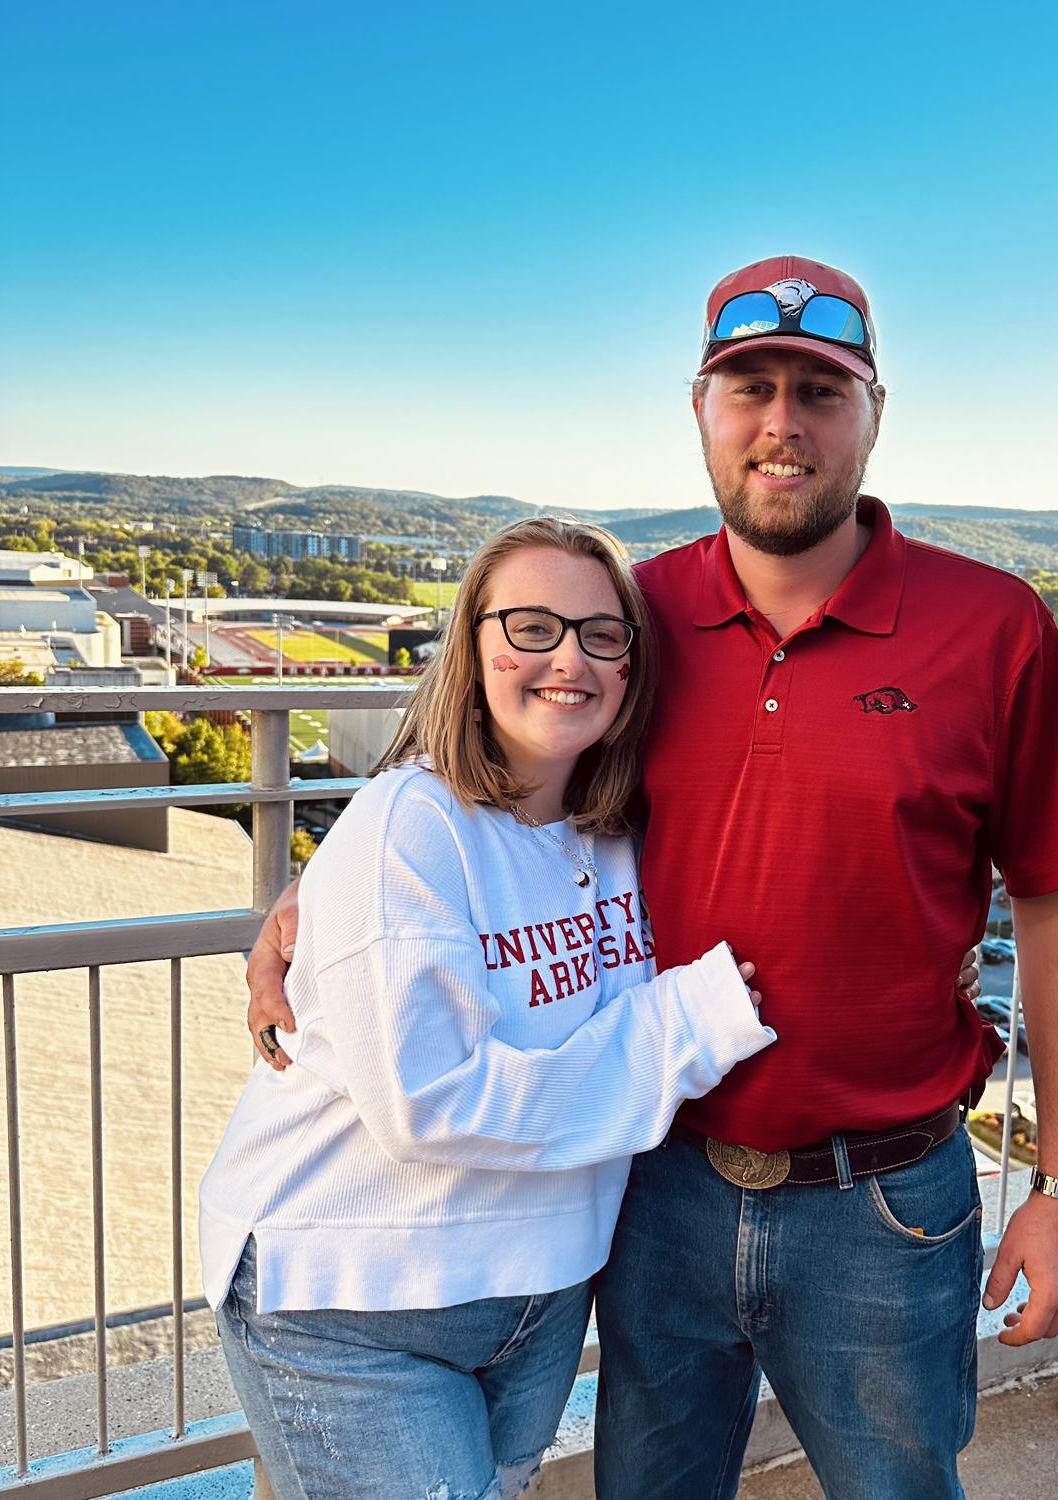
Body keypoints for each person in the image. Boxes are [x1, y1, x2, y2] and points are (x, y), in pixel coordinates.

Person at [247, 256, 1058, 1499]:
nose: (782, 423)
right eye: (749, 388)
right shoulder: (627, 623)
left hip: (884, 1204)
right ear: (701, 410)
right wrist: (312, 903)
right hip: (656, 1183)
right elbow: (483, 776)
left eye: (821, 391)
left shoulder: (994, 627)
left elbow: (1057, 899)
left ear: (873, 413)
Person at [204, 517, 775, 1499]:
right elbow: (430, 1100)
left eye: (602, 635)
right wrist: (686, 1024)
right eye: (531, 627)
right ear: (470, 645)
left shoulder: (622, 830)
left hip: (541, 1291)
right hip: (351, 1296)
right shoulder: (408, 829)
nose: (570, 660)